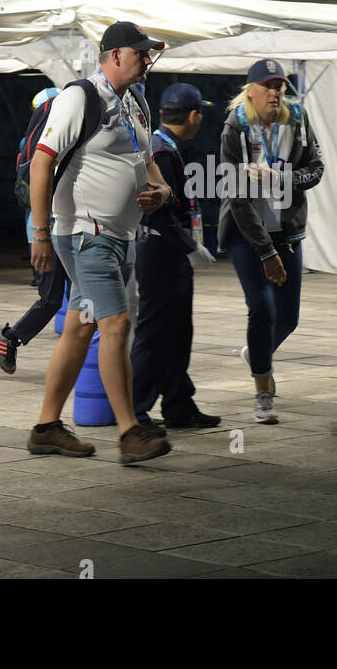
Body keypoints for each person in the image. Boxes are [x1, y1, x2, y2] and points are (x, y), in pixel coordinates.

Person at [25, 22, 174, 465]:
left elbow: (149, 166)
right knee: (116, 325)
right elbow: (40, 164)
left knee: (81, 326)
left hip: (121, 236)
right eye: (141, 53)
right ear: (114, 56)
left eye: (149, 54)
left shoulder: (137, 103)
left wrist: (160, 193)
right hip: (86, 236)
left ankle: (46, 427)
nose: (148, 61)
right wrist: (39, 233)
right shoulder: (79, 97)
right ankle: (130, 432)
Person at [218, 59, 324, 424]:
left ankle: (257, 353)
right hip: (246, 230)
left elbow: (317, 168)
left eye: (279, 85)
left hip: (286, 230)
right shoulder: (236, 127)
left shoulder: (297, 119)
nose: (276, 91)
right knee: (262, 309)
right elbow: (236, 196)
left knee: (288, 318)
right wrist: (265, 252)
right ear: (250, 90)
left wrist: (282, 177)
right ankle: (263, 390)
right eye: (267, 85)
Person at [130, 83, 222, 429]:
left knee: (177, 331)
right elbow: (159, 212)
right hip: (161, 253)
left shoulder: (160, 145)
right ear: (194, 116)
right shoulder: (163, 153)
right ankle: (136, 410)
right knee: (154, 333)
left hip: (165, 252)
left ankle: (178, 404)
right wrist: (190, 246)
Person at [0, 88, 68, 374]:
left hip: (49, 228)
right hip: (43, 229)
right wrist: (41, 235)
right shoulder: (42, 146)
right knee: (50, 299)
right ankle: (8, 338)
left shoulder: (31, 140)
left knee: (73, 298)